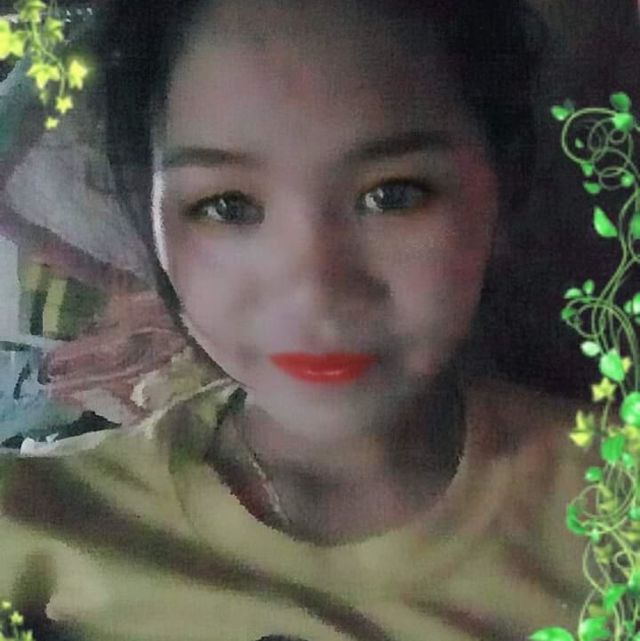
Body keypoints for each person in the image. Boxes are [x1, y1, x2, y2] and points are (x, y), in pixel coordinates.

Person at [0, 1, 600, 639]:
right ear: (151, 220)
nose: (315, 292)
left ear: (504, 190)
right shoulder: (32, 528)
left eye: (393, 195)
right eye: (227, 206)